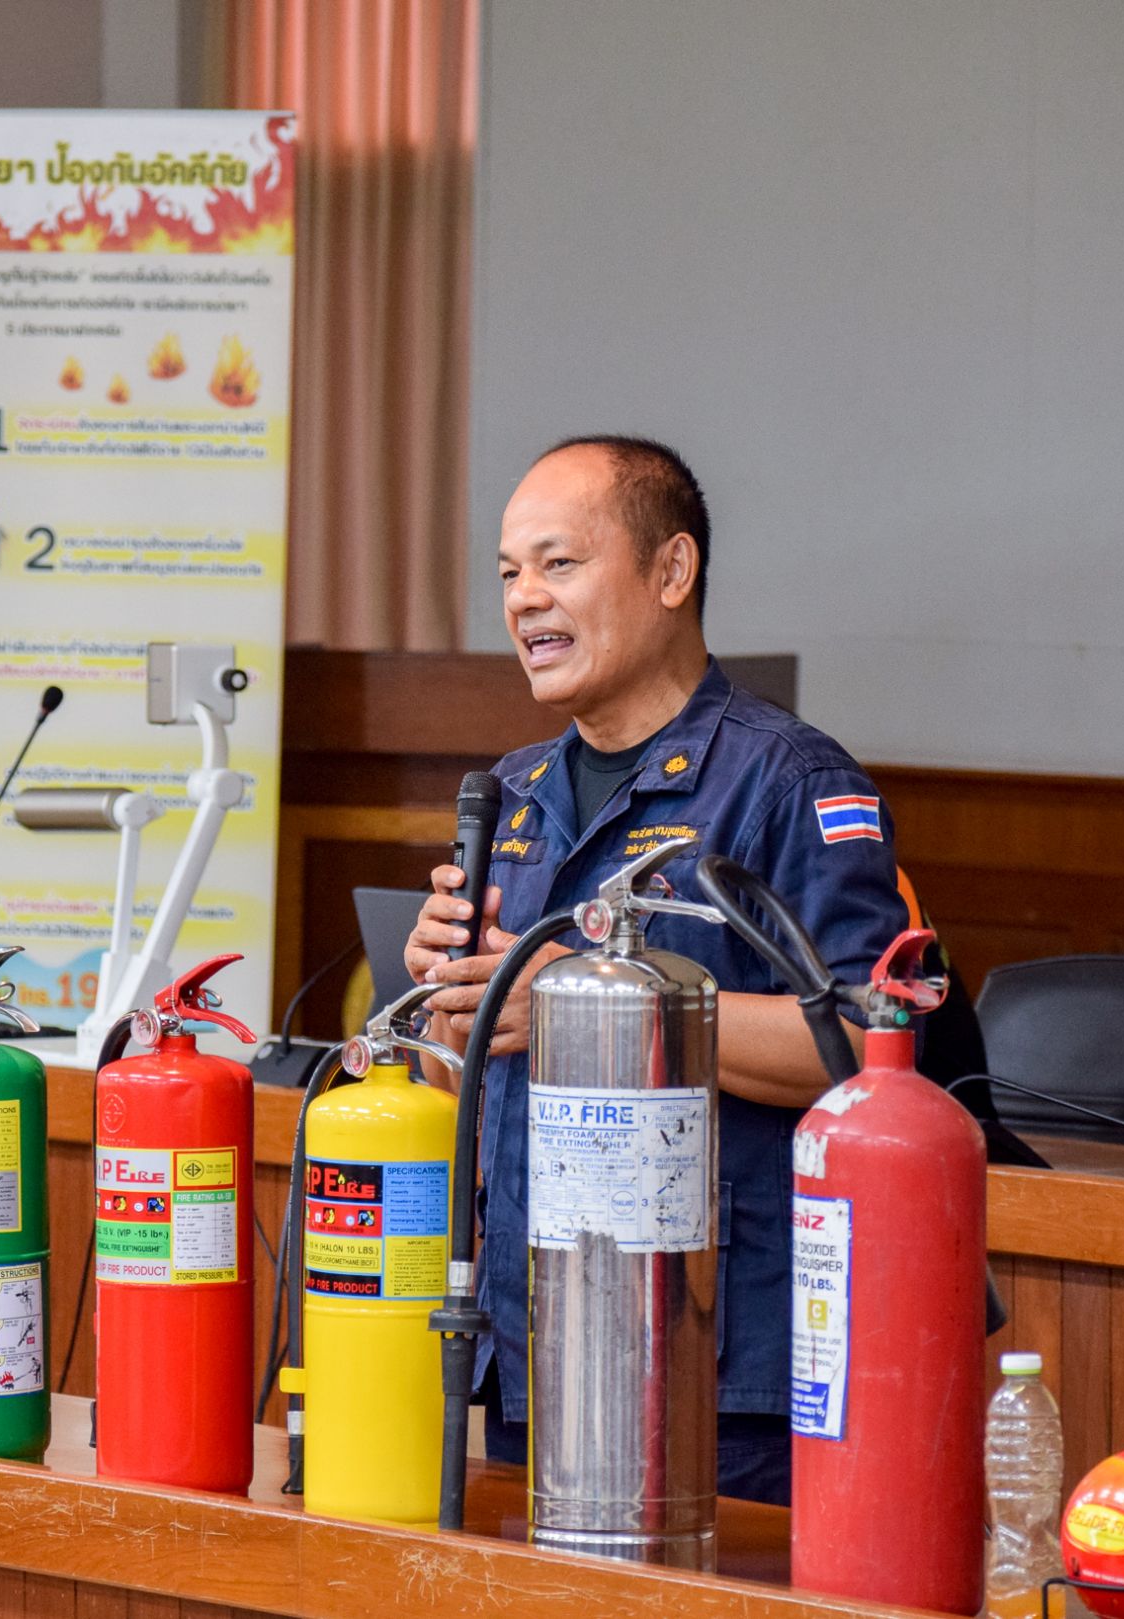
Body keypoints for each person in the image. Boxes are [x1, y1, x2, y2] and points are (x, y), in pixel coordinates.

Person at [404, 436, 911, 1507]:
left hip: (709, 1358)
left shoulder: (788, 780)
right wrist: (451, 1004)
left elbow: (871, 1048)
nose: (523, 599)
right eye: (506, 572)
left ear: (671, 573)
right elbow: (464, 1077)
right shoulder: (511, 790)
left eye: (557, 563)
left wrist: (585, 1007)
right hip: (526, 1341)